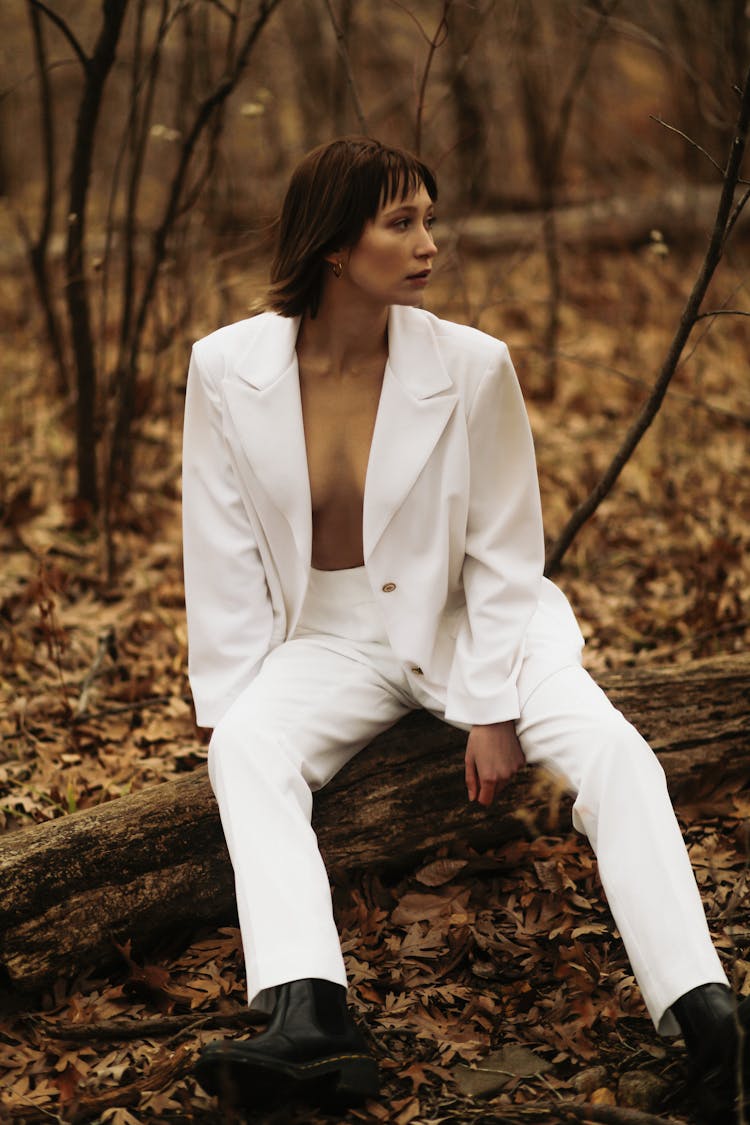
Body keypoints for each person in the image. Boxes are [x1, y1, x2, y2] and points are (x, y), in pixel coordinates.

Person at [182, 137, 747, 1120]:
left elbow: (501, 547)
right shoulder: (228, 368)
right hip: (328, 635)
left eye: (430, 219)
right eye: (401, 222)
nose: (429, 243)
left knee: (614, 755)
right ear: (332, 244)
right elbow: (220, 544)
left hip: (481, 623)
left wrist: (490, 706)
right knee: (247, 749)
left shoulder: (473, 365)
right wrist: (229, 702)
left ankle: (709, 1018)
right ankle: (310, 1016)